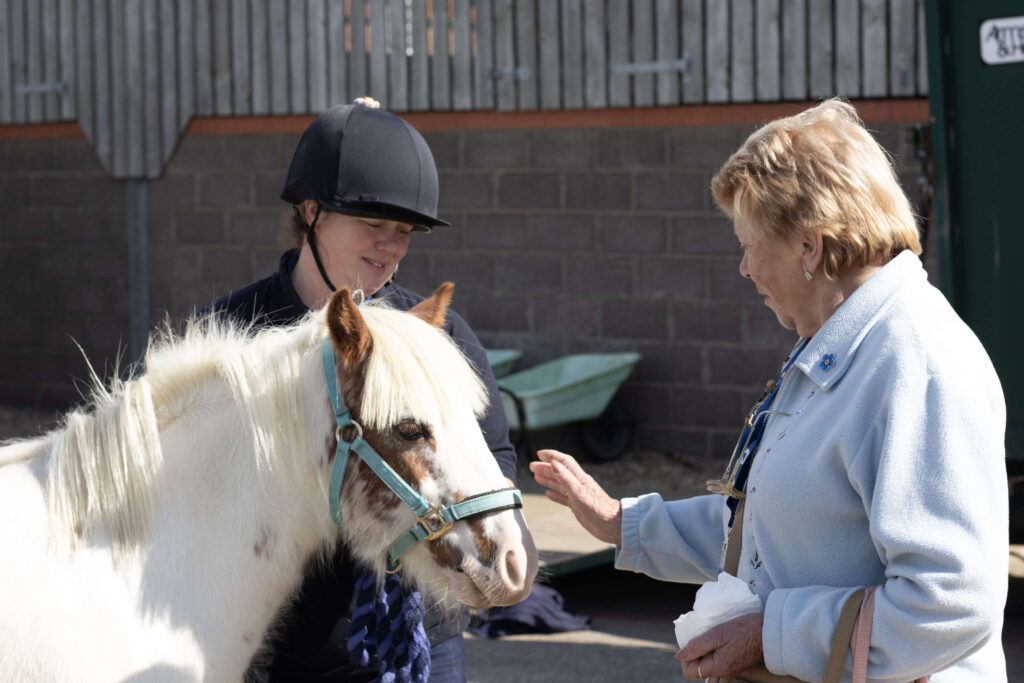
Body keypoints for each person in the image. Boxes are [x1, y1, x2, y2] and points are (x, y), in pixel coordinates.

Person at [530, 98, 1008, 681]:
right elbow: (770, 529)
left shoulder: (916, 362)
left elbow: (949, 603)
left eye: (750, 244)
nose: (745, 269)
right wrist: (622, 524)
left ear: (810, 246)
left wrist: (771, 635)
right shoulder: (841, 345)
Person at [204, 98, 517, 682]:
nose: (391, 247)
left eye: (404, 231)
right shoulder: (229, 338)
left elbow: (491, 456)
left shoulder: (436, 332)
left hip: (412, 641)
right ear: (311, 212)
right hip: (276, 650)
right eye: (372, 224)